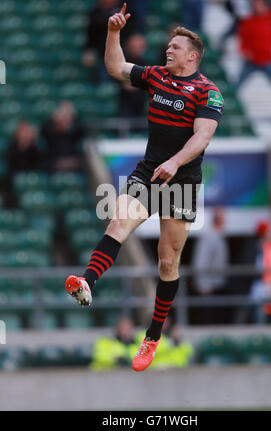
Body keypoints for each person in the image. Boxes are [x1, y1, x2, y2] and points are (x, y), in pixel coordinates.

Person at [65, 3, 224, 372]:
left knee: (168, 262)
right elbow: (115, 67)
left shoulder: (208, 91)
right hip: (149, 173)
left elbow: (203, 136)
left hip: (181, 181)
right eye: (168, 46)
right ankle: (85, 283)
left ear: (193, 56)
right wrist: (114, 32)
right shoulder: (155, 75)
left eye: (175, 47)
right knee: (117, 224)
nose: (168, 50)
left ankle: (151, 338)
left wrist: (176, 162)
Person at [192, 207, 230, 324]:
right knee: (209, 318)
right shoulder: (209, 237)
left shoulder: (218, 237)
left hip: (217, 284)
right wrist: (204, 285)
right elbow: (201, 262)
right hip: (210, 287)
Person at [41, 101, 85, 173]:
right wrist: (54, 118)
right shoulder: (51, 132)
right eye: (62, 116)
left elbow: (81, 127)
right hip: (54, 165)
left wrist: (73, 116)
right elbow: (44, 127)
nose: (64, 119)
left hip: (73, 164)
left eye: (67, 117)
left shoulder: (74, 133)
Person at [119, 34, 147, 120]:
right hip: (125, 101)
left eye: (139, 46)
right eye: (134, 46)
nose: (137, 49)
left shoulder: (145, 63)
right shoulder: (123, 61)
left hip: (140, 102)